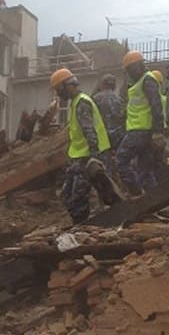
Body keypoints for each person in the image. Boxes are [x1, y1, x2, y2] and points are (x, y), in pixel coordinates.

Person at [50, 68, 118, 223]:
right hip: (80, 157)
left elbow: (89, 132)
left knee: (77, 196)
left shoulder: (82, 103)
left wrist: (93, 159)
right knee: (67, 194)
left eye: (58, 89)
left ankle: (82, 224)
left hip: (88, 156)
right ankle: (81, 222)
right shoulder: (76, 102)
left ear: (67, 86)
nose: (58, 94)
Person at [119, 52, 165, 195]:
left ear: (138, 66)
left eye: (130, 70)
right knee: (145, 171)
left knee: (121, 160)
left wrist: (158, 132)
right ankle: (155, 201)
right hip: (142, 131)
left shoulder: (147, 80)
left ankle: (137, 194)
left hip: (140, 131)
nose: (129, 74)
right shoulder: (139, 83)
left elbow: (156, 105)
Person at [93, 74, 126, 149]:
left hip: (101, 137)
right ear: (114, 86)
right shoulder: (120, 100)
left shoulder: (95, 99)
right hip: (117, 138)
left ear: (102, 84)